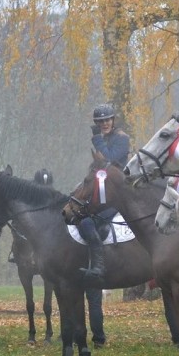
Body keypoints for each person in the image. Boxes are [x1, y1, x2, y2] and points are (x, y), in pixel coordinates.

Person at [78, 103, 130, 283]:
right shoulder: (103, 139)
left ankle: (99, 266)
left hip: (118, 193)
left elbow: (109, 159)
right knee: (81, 218)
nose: (104, 124)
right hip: (102, 192)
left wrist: (97, 139)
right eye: (100, 121)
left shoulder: (122, 138)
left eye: (107, 120)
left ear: (113, 120)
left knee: (88, 223)